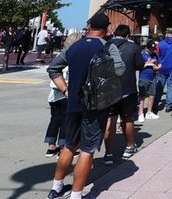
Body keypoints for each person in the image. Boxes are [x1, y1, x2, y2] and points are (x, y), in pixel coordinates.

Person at [45, 13, 124, 199]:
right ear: (107, 29)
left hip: (73, 103)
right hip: (96, 106)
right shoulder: (107, 47)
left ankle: (56, 187)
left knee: (69, 146)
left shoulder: (74, 46)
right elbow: (120, 70)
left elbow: (53, 69)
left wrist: (65, 90)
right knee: (87, 150)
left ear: (89, 26)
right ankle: (76, 194)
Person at [101, 24, 144, 165]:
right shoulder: (133, 47)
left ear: (114, 32)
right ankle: (129, 147)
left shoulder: (105, 45)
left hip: (108, 88)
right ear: (128, 34)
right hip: (128, 88)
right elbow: (140, 65)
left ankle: (108, 153)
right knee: (128, 119)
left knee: (110, 121)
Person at [44, 33, 80, 158]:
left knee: (54, 120)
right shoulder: (74, 57)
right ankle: (63, 147)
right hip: (66, 93)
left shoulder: (60, 56)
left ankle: (51, 146)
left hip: (54, 94)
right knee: (66, 121)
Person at [153, 28, 172, 114]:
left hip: (161, 68)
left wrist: (157, 64)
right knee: (171, 87)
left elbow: (156, 55)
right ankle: (168, 105)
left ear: (166, 34)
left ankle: (155, 105)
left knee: (159, 87)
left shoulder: (160, 44)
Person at [137, 40, 160, 121]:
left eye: (153, 49)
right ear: (147, 48)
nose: (152, 51)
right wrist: (148, 64)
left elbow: (159, 63)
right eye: (150, 49)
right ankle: (140, 113)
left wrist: (158, 67)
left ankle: (149, 112)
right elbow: (138, 66)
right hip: (144, 77)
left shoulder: (154, 54)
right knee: (142, 95)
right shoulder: (142, 54)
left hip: (153, 77)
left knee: (152, 94)